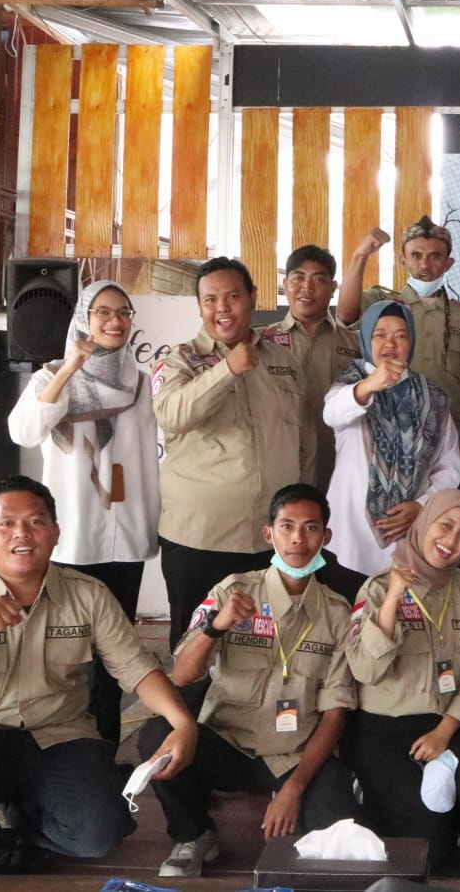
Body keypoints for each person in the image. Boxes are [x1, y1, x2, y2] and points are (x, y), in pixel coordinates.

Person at [0, 476, 200, 874]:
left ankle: (27, 821)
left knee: (99, 835)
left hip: (58, 736)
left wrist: (183, 724)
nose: (22, 534)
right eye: (6, 524)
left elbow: (137, 669)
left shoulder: (88, 594)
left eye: (35, 522)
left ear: (56, 533)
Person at [139, 484, 360, 878]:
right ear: (268, 533)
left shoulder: (338, 614)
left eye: (310, 528)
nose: (298, 538)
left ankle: (295, 809)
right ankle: (193, 834)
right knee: (158, 737)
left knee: (337, 826)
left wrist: (293, 788)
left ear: (325, 537)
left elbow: (334, 715)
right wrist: (216, 626)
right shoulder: (233, 591)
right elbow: (183, 674)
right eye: (287, 526)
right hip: (228, 743)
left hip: (292, 754)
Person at [8, 278, 160, 745]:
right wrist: (70, 368)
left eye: (123, 312)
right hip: (72, 537)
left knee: (117, 654)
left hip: (126, 535)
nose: (115, 321)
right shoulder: (52, 376)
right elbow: (24, 431)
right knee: (66, 652)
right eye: (103, 312)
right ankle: (61, 745)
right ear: (84, 320)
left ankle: (105, 750)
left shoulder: (140, 381)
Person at [343, 490, 460, 868]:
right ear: (424, 524)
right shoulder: (377, 587)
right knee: (432, 852)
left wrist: (445, 730)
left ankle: (441, 783)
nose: (452, 541)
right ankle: (373, 790)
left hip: (445, 722)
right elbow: (365, 671)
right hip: (384, 728)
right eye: (446, 525)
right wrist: (393, 599)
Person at [154, 257, 303, 644]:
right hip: (201, 537)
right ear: (199, 306)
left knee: (265, 643)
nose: (222, 308)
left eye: (233, 297)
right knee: (194, 643)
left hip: (270, 536)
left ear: (252, 297)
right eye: (210, 300)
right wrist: (228, 370)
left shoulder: (283, 361)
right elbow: (172, 414)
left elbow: (302, 440)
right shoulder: (182, 359)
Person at [324, 300, 460, 577]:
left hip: (409, 531)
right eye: (379, 335)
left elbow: (448, 466)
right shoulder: (350, 385)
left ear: (412, 342)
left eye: (400, 335)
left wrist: (422, 506)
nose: (390, 344)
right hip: (349, 533)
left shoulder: (432, 398)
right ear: (365, 339)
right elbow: (332, 414)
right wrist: (370, 384)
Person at [339, 217, 460, 446]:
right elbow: (346, 314)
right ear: (403, 260)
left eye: (435, 256)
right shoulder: (383, 304)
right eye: (416, 256)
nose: (425, 265)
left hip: (450, 438)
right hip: (392, 437)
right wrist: (360, 256)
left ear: (448, 263)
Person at [264, 245, 361, 489]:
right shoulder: (262, 343)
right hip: (280, 466)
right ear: (285, 284)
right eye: (298, 278)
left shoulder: (356, 344)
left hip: (341, 467)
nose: (306, 288)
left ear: (333, 287)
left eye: (318, 279)